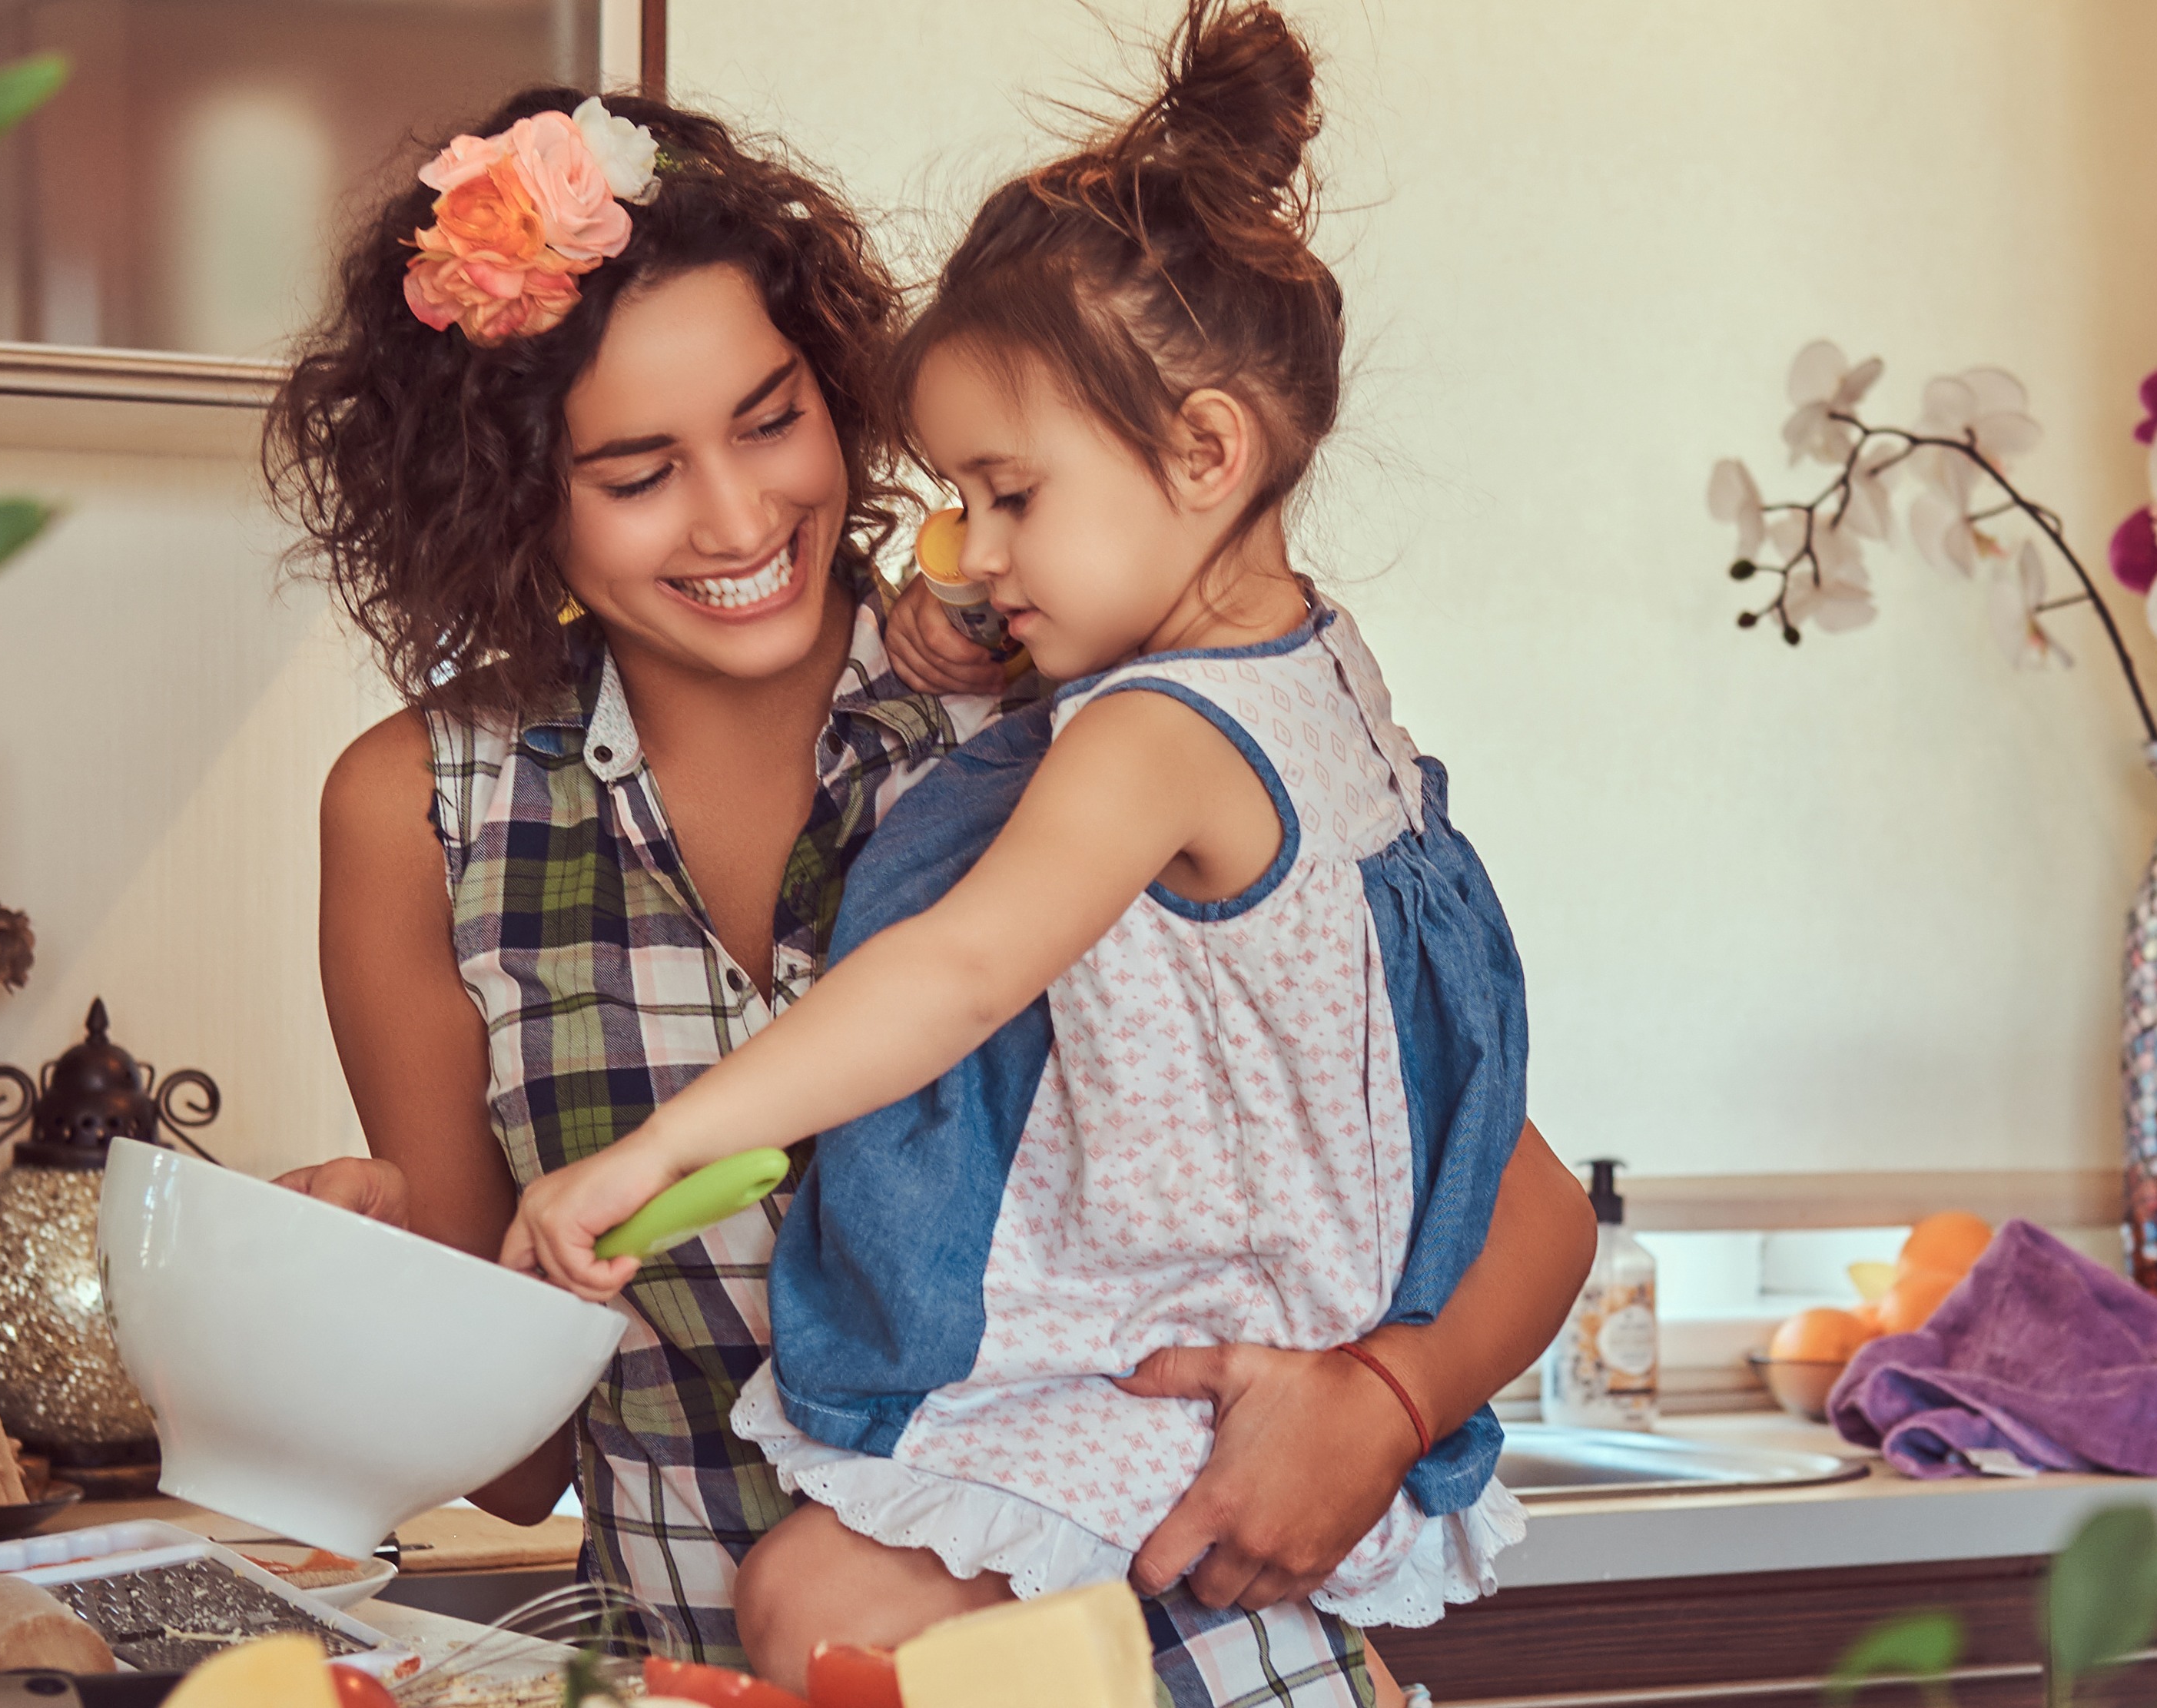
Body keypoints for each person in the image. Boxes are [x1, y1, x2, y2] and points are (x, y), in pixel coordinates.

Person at [261, 76, 1591, 1704]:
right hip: (722, 1665)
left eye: (770, 418)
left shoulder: (1061, 705)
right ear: (512, 496)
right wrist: (343, 1297)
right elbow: (523, 1457)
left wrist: (1385, 1400)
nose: (742, 516)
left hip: (1209, 1653)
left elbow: (1501, 1194)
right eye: (637, 471)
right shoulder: (424, 811)